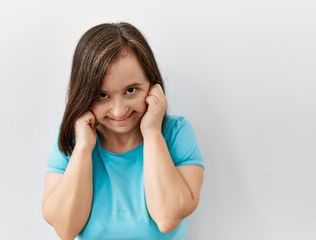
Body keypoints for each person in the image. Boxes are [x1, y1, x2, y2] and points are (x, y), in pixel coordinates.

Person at [42, 22, 204, 240]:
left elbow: (167, 218)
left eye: (131, 90)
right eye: (102, 95)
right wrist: (82, 148)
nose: (119, 111)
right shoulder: (72, 137)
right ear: (84, 94)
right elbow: (65, 229)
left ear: (152, 85)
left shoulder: (175, 133)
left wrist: (153, 133)